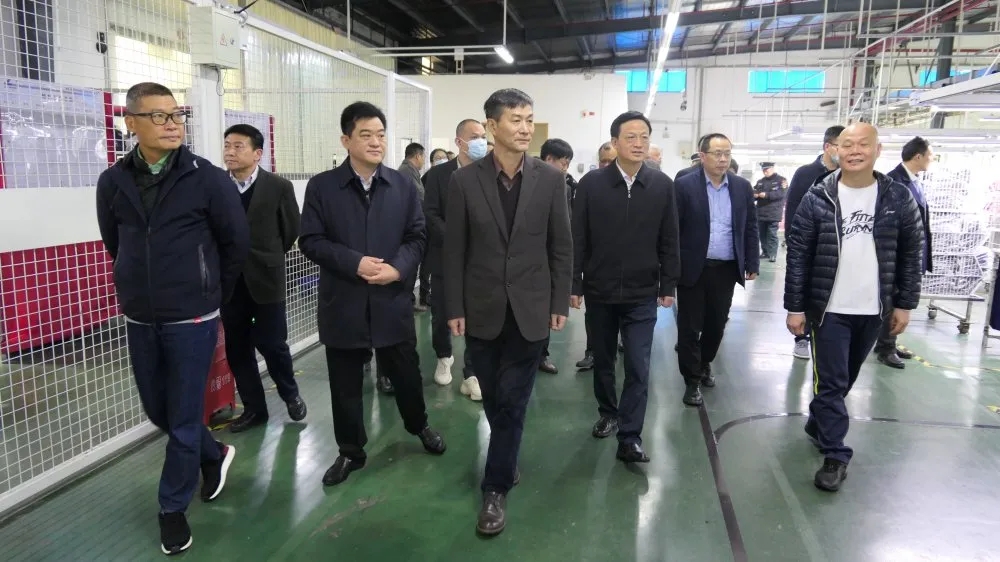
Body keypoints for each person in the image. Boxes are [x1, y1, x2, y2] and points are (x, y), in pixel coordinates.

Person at [95, 82, 247, 555]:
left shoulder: (207, 178)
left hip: (192, 317)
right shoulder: (113, 181)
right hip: (141, 316)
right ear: (131, 123)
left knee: (182, 415)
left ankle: (172, 508)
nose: (172, 124)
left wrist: (208, 293)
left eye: (177, 114)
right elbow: (115, 241)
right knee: (158, 410)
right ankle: (214, 454)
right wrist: (134, 284)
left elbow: (235, 243)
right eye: (158, 116)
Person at [444, 88, 572, 536]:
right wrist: (454, 306)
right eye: (515, 119)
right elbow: (454, 250)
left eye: (529, 119)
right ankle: (506, 453)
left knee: (514, 399)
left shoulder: (550, 180)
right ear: (491, 126)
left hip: (531, 308)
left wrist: (559, 301)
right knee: (495, 398)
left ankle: (495, 488)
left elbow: (561, 246)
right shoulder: (464, 182)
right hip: (481, 307)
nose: (524, 128)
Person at [298, 101, 446, 487]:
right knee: (345, 383)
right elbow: (310, 240)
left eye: (381, 134)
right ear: (346, 140)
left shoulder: (402, 185)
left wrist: (397, 268)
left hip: (390, 299)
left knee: (407, 375)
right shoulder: (323, 187)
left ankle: (419, 425)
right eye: (366, 135)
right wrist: (355, 263)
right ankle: (351, 450)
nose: (376, 142)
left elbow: (417, 236)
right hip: (343, 301)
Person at [784, 122, 923, 492]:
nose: (855, 151)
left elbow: (911, 253)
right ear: (835, 150)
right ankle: (835, 454)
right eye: (847, 144)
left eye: (863, 144)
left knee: (844, 379)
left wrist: (905, 304)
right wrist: (795, 307)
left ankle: (819, 422)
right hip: (828, 309)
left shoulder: (897, 197)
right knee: (831, 382)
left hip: (874, 309)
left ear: (877, 150)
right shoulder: (819, 196)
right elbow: (798, 254)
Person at [571, 111, 679, 462]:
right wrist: (575, 283)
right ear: (615, 142)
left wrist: (668, 284)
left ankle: (630, 436)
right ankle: (608, 413)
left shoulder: (661, 185)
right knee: (603, 360)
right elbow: (578, 237)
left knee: (638, 364)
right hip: (599, 290)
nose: (638, 143)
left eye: (644, 137)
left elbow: (670, 238)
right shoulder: (591, 185)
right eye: (630, 137)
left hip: (641, 292)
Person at [220, 124, 306, 433]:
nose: (230, 151)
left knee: (272, 343)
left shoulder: (278, 186)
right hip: (230, 282)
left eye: (238, 146)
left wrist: (267, 256)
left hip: (267, 279)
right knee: (237, 349)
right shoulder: (217, 186)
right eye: (227, 145)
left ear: (257, 153)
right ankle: (255, 409)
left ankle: (290, 393)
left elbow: (291, 229)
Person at [673, 133, 759, 406]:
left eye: (727, 154)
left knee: (716, 324)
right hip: (693, 268)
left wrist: (752, 261)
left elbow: (750, 225)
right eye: (717, 154)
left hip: (726, 268)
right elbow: (673, 229)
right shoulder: (684, 186)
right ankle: (691, 380)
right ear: (702, 156)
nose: (723, 159)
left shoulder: (742, 187)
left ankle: (704, 362)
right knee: (689, 327)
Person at [422, 118, 489, 398]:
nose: (481, 142)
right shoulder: (438, 175)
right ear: (459, 142)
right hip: (444, 256)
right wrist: (454, 239)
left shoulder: (491, 172)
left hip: (481, 260)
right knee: (441, 313)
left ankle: (472, 373)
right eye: (475, 137)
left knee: (477, 315)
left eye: (483, 136)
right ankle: (444, 355)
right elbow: (430, 213)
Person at [785, 124, 844, 360]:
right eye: (842, 145)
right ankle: (802, 338)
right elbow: (793, 208)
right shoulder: (806, 174)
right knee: (806, 291)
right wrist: (794, 242)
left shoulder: (850, 176)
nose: (847, 151)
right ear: (828, 147)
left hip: (838, 249)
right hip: (810, 246)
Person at [875, 136, 934, 368]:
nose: (932, 159)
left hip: (910, 250)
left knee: (898, 298)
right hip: (896, 253)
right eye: (930, 155)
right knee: (891, 298)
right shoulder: (893, 182)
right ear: (918, 156)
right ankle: (886, 346)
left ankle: (888, 341)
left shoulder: (913, 181)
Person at [398, 142, 430, 311]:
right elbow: (418, 199)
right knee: (408, 269)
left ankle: (409, 301)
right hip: (408, 230)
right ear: (418, 156)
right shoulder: (406, 172)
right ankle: (406, 304)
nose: (424, 161)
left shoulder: (411, 172)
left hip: (413, 226)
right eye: (423, 157)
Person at [753, 162, 788, 263]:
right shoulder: (760, 182)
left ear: (772, 168)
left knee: (772, 234)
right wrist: (754, 195)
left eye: (767, 169)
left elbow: (782, 194)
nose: (765, 171)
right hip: (761, 213)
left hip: (773, 213)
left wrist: (767, 195)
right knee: (762, 235)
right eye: (763, 170)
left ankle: (772, 254)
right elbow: (754, 191)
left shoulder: (781, 180)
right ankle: (765, 252)